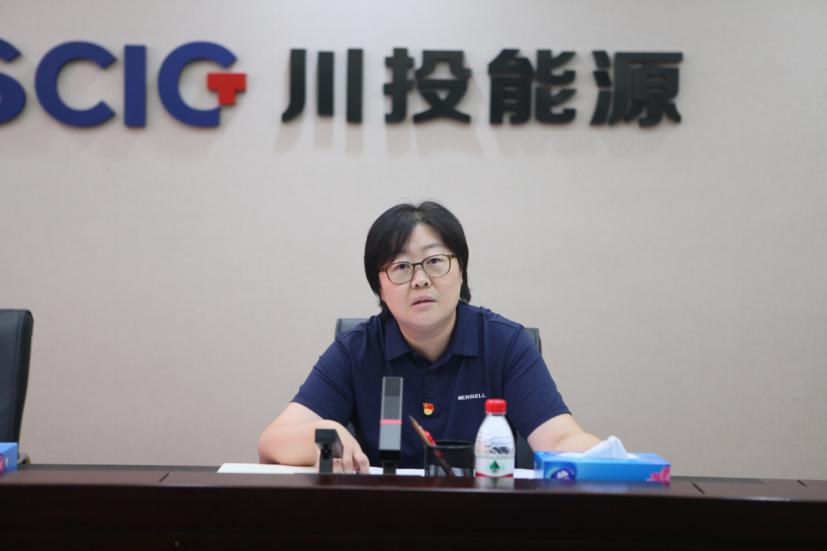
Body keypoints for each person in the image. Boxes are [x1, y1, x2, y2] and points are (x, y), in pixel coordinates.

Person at [258, 201, 599, 472]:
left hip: (484, 519)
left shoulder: (504, 344)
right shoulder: (356, 351)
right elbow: (272, 442)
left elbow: (560, 439)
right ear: (380, 287)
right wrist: (326, 435)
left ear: (461, 271)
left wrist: (609, 457)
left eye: (435, 261)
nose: (420, 279)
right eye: (401, 267)